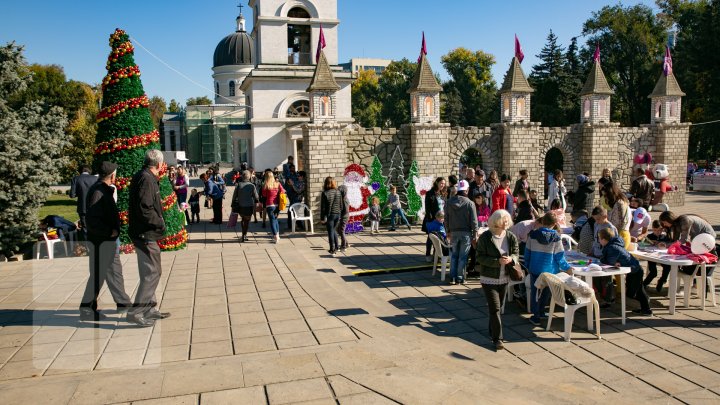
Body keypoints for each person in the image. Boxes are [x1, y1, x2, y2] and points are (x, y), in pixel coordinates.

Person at [80, 161, 131, 321]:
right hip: (102, 241)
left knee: (114, 271)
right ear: (112, 175)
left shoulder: (102, 189)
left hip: (106, 240)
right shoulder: (98, 191)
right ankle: (87, 308)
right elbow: (93, 221)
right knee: (98, 275)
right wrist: (110, 232)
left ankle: (123, 302)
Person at [127, 149, 170, 327]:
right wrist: (160, 223)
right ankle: (136, 311)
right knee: (153, 271)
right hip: (146, 233)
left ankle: (149, 307)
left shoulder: (145, 176)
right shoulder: (146, 179)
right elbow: (145, 208)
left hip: (144, 232)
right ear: (159, 164)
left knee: (149, 271)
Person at [476, 209, 519, 351]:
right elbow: (480, 257)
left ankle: (492, 331)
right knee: (495, 308)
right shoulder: (485, 237)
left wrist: (511, 259)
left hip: (504, 278)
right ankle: (498, 339)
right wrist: (497, 261)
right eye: (503, 219)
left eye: (507, 218)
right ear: (495, 222)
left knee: (498, 309)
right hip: (488, 279)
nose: (506, 221)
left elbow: (516, 253)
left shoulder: (511, 236)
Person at [525, 212, 572, 326]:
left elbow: (527, 252)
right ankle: (541, 311)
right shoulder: (556, 237)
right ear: (555, 223)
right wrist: (567, 268)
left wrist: (528, 265)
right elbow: (559, 256)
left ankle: (536, 316)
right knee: (546, 290)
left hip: (535, 268)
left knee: (535, 292)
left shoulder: (532, 234)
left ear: (543, 221)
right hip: (550, 270)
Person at [598, 228, 653, 316]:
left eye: (599, 239)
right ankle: (645, 308)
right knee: (636, 291)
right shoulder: (614, 244)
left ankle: (646, 305)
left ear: (604, 239)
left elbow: (609, 261)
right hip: (634, 269)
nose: (599, 241)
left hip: (635, 270)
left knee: (633, 292)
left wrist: (603, 260)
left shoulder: (612, 247)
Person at [659, 211, 717, 276]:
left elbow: (684, 240)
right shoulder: (677, 224)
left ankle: (701, 279)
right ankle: (695, 276)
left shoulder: (684, 221)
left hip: (707, 238)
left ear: (669, 219)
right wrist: (666, 244)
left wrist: (668, 245)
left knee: (698, 257)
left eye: (664, 223)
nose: (664, 225)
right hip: (699, 238)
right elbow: (676, 241)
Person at [445, 180, 478, 285]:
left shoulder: (449, 202)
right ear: (467, 190)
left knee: (454, 255)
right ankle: (460, 278)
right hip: (466, 233)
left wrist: (448, 230)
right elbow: (474, 221)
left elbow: (446, 218)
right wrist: (475, 234)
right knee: (463, 257)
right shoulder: (470, 203)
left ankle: (452, 278)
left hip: (453, 233)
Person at [643, 220, 673, 291]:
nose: (657, 232)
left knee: (668, 266)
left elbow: (669, 244)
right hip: (651, 256)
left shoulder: (664, 237)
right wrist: (649, 243)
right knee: (653, 272)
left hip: (662, 256)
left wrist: (662, 243)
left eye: (659, 230)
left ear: (662, 229)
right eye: (655, 230)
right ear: (652, 229)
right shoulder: (650, 236)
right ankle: (643, 284)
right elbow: (643, 244)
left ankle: (662, 281)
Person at [423, 177, 447, 262]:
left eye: (444, 184)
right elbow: (427, 207)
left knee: (440, 237)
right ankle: (428, 254)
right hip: (433, 219)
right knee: (431, 237)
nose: (442, 185)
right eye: (441, 183)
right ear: (437, 183)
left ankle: (437, 254)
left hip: (442, 219)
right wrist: (431, 219)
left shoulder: (443, 193)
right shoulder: (430, 193)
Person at [69, 165, 97, 238]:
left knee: (85, 228)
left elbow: (72, 195)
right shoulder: (95, 179)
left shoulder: (76, 179)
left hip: (82, 207)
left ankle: (87, 246)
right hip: (95, 207)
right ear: (89, 171)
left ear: (80, 171)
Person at [231, 170, 259, 242]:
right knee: (246, 220)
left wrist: (232, 203)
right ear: (249, 177)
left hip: (240, 205)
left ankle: (243, 234)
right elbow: (256, 197)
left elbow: (234, 196)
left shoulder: (239, 185)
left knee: (243, 219)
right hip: (249, 205)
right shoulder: (252, 185)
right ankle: (244, 234)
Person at [604, 182, 632, 248]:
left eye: (606, 195)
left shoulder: (620, 203)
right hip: (615, 234)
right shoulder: (616, 203)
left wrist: (616, 236)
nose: (605, 197)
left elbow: (623, 221)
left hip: (620, 235)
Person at [261, 171, 285, 243]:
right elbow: (283, 191)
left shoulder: (266, 185)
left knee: (272, 220)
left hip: (269, 205)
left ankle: (275, 236)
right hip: (277, 205)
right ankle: (277, 234)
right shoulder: (278, 184)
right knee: (275, 219)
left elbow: (264, 195)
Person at [320, 176, 342, 255]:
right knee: (334, 230)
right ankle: (337, 247)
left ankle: (332, 249)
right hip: (337, 214)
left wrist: (322, 218)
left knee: (330, 232)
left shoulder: (325, 193)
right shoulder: (338, 192)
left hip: (330, 215)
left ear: (326, 183)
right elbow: (341, 205)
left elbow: (323, 207)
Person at [337, 185, 350, 252]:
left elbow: (346, 210)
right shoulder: (342, 199)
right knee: (339, 230)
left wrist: (340, 214)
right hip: (342, 216)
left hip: (344, 217)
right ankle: (346, 243)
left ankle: (343, 246)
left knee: (341, 231)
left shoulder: (345, 200)